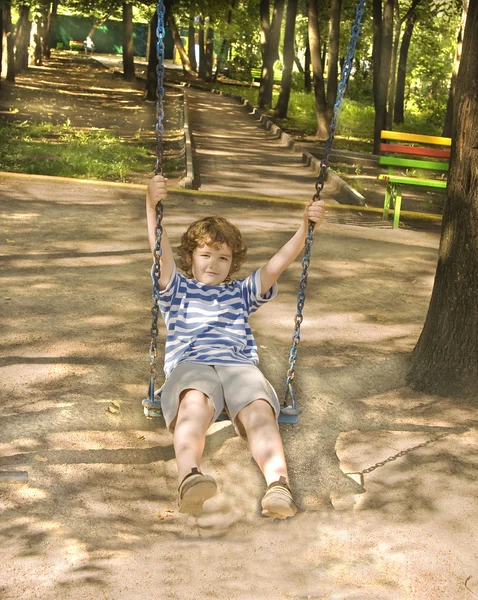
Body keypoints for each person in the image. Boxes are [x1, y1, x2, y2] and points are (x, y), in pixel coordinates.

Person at [146, 175, 325, 519]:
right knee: (194, 403)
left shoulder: (240, 292)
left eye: (223, 258)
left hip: (239, 366)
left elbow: (276, 266)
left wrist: (305, 229)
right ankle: (189, 478)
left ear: (233, 263)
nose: (213, 264)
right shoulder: (176, 288)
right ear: (191, 257)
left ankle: (279, 486)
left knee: (259, 408)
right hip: (192, 364)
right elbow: (159, 248)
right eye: (205, 255)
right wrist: (151, 205)